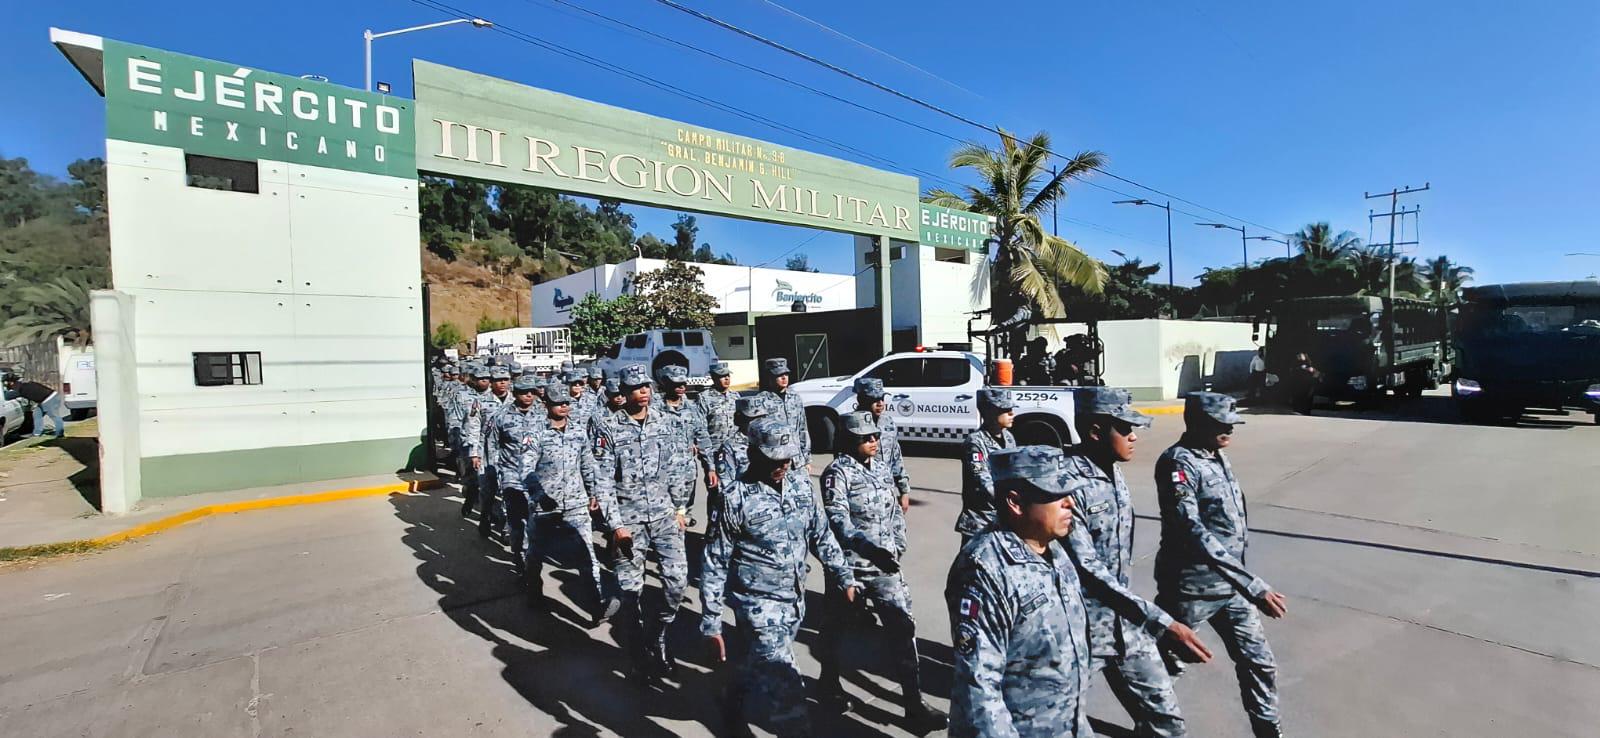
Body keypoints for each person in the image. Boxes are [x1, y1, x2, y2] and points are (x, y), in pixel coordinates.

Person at [1064, 388, 1213, 737]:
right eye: (1124, 429)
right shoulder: (1065, 483)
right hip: (1077, 630)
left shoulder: (1112, 470)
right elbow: (1089, 569)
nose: (1133, 436)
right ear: (1095, 432)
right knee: (1057, 724)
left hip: (1123, 621)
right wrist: (1164, 623)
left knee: (1167, 723)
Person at [700, 417, 859, 738]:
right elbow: (715, 561)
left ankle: (731, 701)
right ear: (754, 454)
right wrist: (711, 622)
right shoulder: (735, 497)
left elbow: (821, 536)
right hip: (757, 606)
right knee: (788, 690)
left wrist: (844, 575)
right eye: (774, 459)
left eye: (787, 458)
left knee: (752, 662)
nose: (782, 465)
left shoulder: (801, 487)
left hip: (794, 599)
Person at [1155, 392, 1288, 738]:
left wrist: (1242, 582)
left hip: (1231, 588)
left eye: (1231, 424)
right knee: (1164, 668)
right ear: (1196, 423)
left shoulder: (1215, 455)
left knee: (1259, 662)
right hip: (1191, 590)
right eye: (1220, 424)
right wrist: (1253, 585)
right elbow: (1191, 529)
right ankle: (1150, 726)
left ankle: (1268, 730)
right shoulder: (1178, 463)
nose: (1229, 430)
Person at [945, 445, 1094, 737]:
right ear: (1015, 502)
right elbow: (980, 688)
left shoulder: (1053, 548)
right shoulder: (983, 570)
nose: (1070, 503)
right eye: (1055, 495)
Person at [816, 412, 947, 733]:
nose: (874, 441)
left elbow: (895, 513)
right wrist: (868, 548)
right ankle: (828, 684)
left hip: (886, 567)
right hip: (851, 568)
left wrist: (898, 544)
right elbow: (837, 519)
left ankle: (914, 703)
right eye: (866, 438)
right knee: (835, 629)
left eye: (875, 436)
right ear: (850, 440)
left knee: (903, 629)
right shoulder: (837, 473)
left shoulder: (881, 467)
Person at [592, 364, 692, 684]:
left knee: (677, 582)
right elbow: (602, 481)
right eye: (637, 387)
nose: (644, 391)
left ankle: (657, 634)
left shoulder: (663, 422)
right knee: (630, 592)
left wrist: (680, 508)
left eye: (646, 386)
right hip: (629, 522)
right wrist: (615, 525)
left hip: (664, 517)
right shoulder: (608, 427)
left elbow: (676, 467)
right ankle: (638, 657)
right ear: (624, 392)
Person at [524, 377, 619, 620]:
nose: (564, 407)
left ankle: (597, 606)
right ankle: (533, 592)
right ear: (546, 405)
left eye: (566, 403)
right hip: (545, 507)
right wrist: (539, 495)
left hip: (576, 503)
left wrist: (593, 492)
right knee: (535, 554)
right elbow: (526, 470)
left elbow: (587, 464)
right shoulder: (535, 433)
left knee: (588, 556)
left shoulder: (578, 431)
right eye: (558, 403)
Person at [490, 375, 546, 578]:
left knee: (536, 522)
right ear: (515, 394)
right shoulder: (501, 416)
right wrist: (497, 473)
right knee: (517, 522)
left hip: (536, 477)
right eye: (524, 392)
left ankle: (532, 559)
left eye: (532, 392)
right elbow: (492, 446)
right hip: (511, 475)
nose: (529, 395)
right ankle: (520, 558)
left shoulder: (543, 415)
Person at [955, 388, 1017, 541]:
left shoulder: (1009, 438)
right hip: (980, 521)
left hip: (1004, 517)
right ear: (990, 413)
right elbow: (982, 480)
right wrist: (1014, 499)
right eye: (1005, 410)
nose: (1012, 414)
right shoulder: (975, 442)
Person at [655, 365, 712, 527]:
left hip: (687, 473)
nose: (681, 387)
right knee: (665, 519)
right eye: (676, 384)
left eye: (683, 383)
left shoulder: (692, 409)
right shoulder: (654, 409)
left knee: (683, 515)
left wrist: (710, 467)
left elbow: (703, 438)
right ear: (665, 383)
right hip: (662, 474)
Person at [467, 365, 513, 537]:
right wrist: (474, 453)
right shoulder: (480, 401)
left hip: (509, 452)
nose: (502, 383)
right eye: (498, 380)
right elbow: (474, 427)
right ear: (491, 382)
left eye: (505, 380)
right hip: (487, 451)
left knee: (509, 488)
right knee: (488, 489)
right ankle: (485, 516)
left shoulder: (515, 400)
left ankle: (508, 525)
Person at [852, 378, 911, 510]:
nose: (880, 403)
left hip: (887, 491)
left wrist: (904, 491)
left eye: (882, 398)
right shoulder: (852, 425)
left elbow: (896, 457)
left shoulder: (887, 422)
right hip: (862, 496)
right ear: (862, 400)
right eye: (874, 399)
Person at [449, 364, 491, 519]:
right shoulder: (462, 395)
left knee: (489, 479)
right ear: (473, 379)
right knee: (472, 478)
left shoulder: (494, 396)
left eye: (487, 378)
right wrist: (456, 442)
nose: (484, 381)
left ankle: (488, 511)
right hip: (469, 442)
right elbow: (455, 419)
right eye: (480, 378)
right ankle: (470, 498)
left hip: (490, 444)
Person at [756, 357, 811, 473]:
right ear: (770, 377)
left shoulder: (795, 398)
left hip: (797, 461)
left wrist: (806, 459)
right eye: (779, 375)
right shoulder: (761, 400)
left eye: (786, 374)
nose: (784, 378)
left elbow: (802, 428)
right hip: (775, 461)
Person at [696, 362, 739, 503]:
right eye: (722, 376)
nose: (726, 379)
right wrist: (710, 465)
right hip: (715, 453)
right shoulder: (704, 398)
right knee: (717, 494)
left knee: (736, 493)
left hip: (735, 452)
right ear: (713, 378)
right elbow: (701, 430)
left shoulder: (735, 396)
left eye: (728, 375)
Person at [3, 374, 66, 438]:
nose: (6, 385)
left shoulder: (20, 388)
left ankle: (60, 433)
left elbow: (8, 396)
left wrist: (3, 394)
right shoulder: (23, 385)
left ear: (11, 382)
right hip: (44, 400)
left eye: (6, 383)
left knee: (54, 416)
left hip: (50, 398)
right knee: (37, 414)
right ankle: (37, 433)